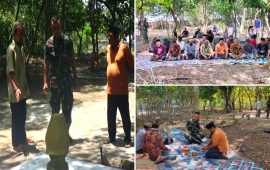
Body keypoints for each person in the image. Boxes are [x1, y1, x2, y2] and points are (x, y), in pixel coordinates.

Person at [44, 16, 77, 143]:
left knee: (67, 109)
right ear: (51, 28)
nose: (56, 30)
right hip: (54, 82)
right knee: (55, 110)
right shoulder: (48, 43)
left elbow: (72, 59)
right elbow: (46, 63)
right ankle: (56, 135)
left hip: (66, 81)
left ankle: (65, 134)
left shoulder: (68, 41)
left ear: (61, 26)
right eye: (54, 28)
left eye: (58, 28)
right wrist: (45, 82)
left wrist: (75, 77)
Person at [103, 25, 134, 148]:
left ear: (117, 37)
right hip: (110, 90)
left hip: (121, 91)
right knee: (111, 116)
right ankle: (111, 137)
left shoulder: (124, 48)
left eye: (111, 37)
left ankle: (127, 139)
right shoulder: (108, 49)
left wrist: (123, 78)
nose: (109, 39)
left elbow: (131, 65)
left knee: (125, 115)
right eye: (108, 37)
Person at [6, 21, 30, 153]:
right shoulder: (11, 50)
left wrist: (23, 88)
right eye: (19, 34)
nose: (21, 37)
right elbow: (9, 74)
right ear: (14, 34)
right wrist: (16, 89)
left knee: (23, 115)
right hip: (15, 91)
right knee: (16, 117)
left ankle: (23, 138)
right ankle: (16, 143)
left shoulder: (21, 48)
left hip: (22, 90)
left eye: (23, 34)